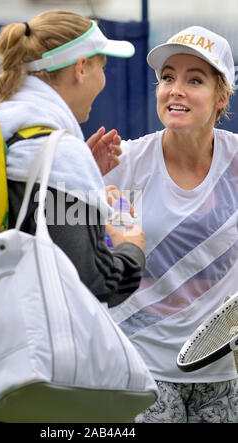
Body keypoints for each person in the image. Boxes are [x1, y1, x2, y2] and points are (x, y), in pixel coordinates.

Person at [104, 25, 238, 423]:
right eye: (167, 78)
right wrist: (86, 186)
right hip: (141, 368)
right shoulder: (123, 164)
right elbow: (66, 235)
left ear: (221, 96)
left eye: (194, 79)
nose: (175, 89)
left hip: (223, 374)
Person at [0, 10, 146, 309]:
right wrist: (131, 246)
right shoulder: (60, 154)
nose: (104, 78)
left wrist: (84, 177)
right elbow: (96, 283)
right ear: (81, 68)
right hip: (26, 346)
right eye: (101, 66)